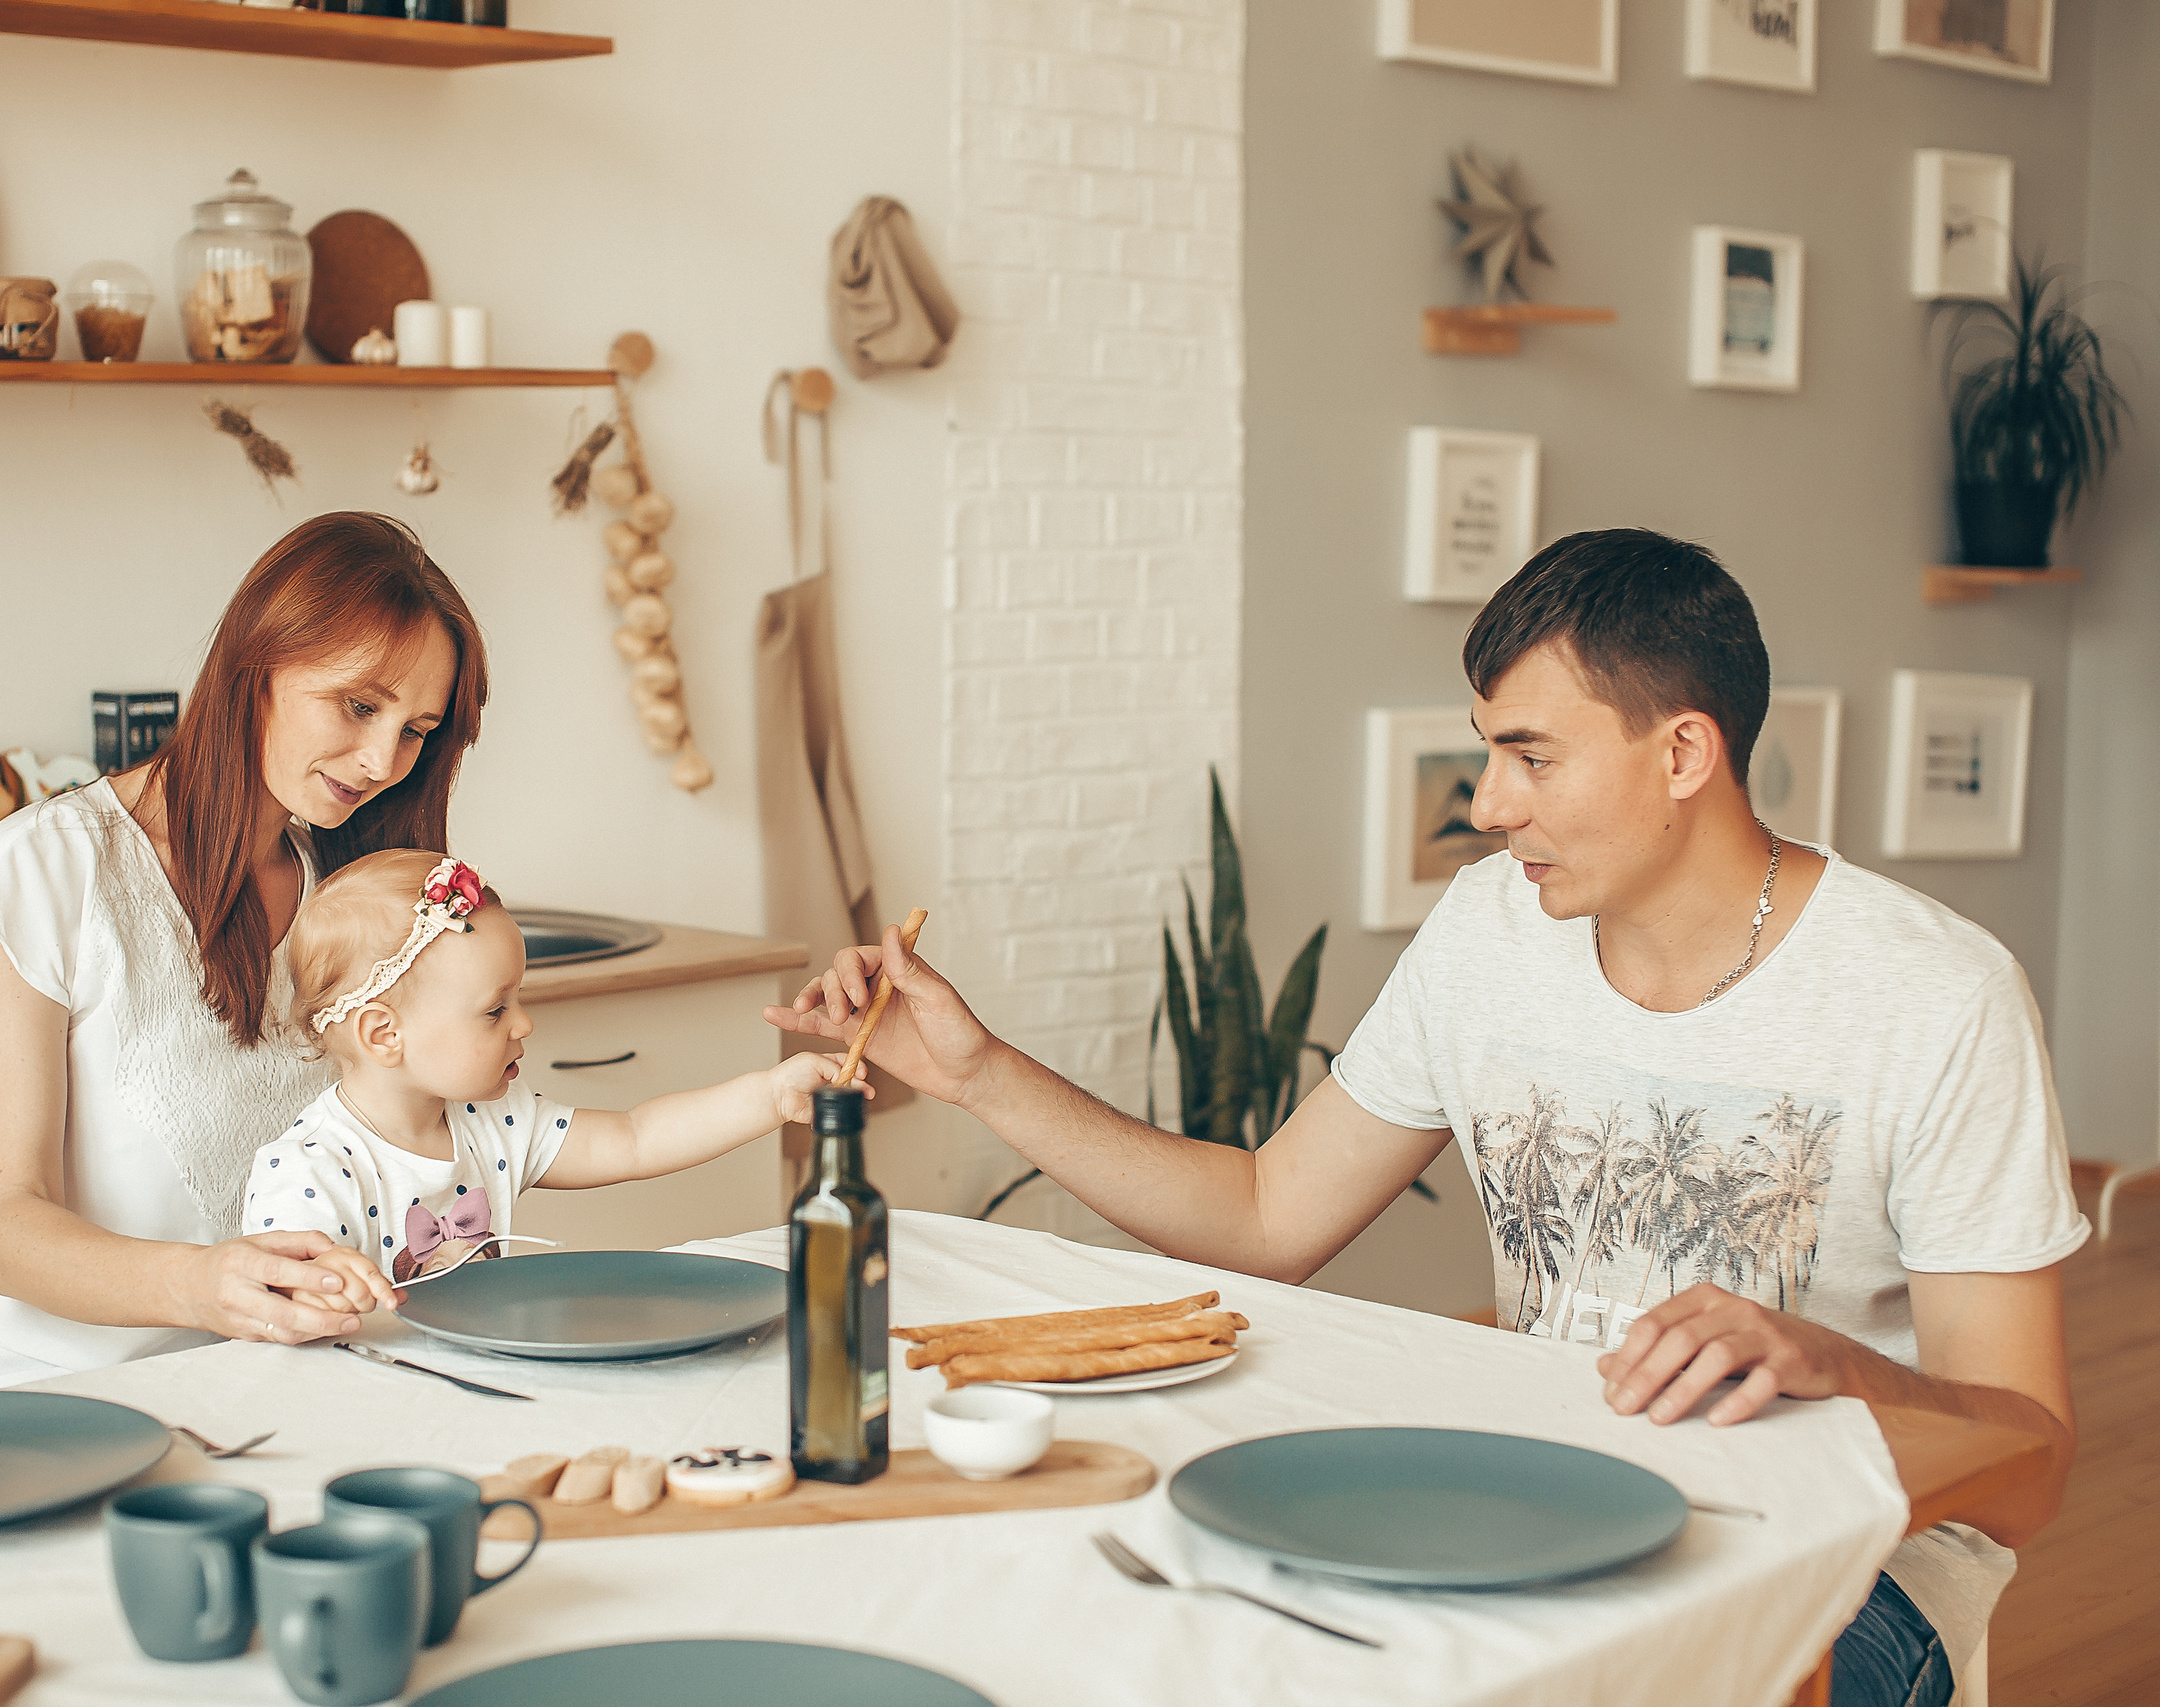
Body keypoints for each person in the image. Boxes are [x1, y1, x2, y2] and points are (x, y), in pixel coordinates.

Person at [772, 531, 2085, 1707]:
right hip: (1542, 1516)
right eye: (1486, 751)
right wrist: (980, 1069)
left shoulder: (1935, 996)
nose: (1488, 802)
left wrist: (1833, 1361)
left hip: (1849, 1573)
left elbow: (2024, 1467)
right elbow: (1267, 1216)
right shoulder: (1488, 933)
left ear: (1684, 750)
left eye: (1529, 755)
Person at [0, 512, 490, 1391]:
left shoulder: (351, 896)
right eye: (359, 704)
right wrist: (203, 1283)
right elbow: (8, 1223)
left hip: (259, 1389)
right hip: (36, 1394)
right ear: (258, 662)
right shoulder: (44, 870)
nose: (382, 759)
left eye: (416, 729)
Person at [250, 848, 862, 1310]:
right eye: (496, 1010)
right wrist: (323, 1292)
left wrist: (771, 1095)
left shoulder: (494, 1121)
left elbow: (636, 1138)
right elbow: (276, 1314)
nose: (524, 1024)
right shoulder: (306, 1173)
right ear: (384, 1034)